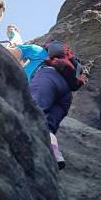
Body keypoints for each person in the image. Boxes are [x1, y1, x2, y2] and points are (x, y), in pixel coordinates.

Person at [6, 40, 70, 170]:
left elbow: (6, 54)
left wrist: (12, 47)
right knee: (47, 127)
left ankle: (20, 151)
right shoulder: (57, 65)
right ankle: (55, 154)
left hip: (46, 78)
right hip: (66, 93)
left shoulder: (34, 49)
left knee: (34, 113)